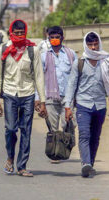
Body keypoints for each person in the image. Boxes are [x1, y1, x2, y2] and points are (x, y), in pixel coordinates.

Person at [65, 32, 109, 178]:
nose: (93, 47)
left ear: (99, 44)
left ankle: (90, 163)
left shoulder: (106, 61)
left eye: (95, 44)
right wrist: (68, 107)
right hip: (83, 105)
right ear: (86, 45)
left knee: (95, 136)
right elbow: (71, 85)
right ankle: (85, 163)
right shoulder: (79, 63)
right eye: (90, 44)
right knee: (84, 134)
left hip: (100, 106)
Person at [0, 19, 47, 177]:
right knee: (10, 129)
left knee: (26, 130)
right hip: (9, 94)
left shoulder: (32, 50)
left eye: (21, 33)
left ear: (25, 32)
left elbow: (39, 76)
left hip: (28, 94)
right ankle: (10, 156)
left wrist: (41, 100)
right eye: (16, 33)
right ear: (11, 33)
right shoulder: (3, 49)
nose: (19, 36)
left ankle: (21, 166)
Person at [35, 26, 77, 164]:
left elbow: (76, 76)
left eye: (57, 37)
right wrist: (38, 99)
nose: (54, 39)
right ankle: (55, 153)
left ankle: (66, 147)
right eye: (51, 37)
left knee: (68, 125)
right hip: (50, 97)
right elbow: (39, 79)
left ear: (62, 38)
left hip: (68, 97)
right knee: (53, 127)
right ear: (48, 39)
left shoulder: (71, 54)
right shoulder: (43, 56)